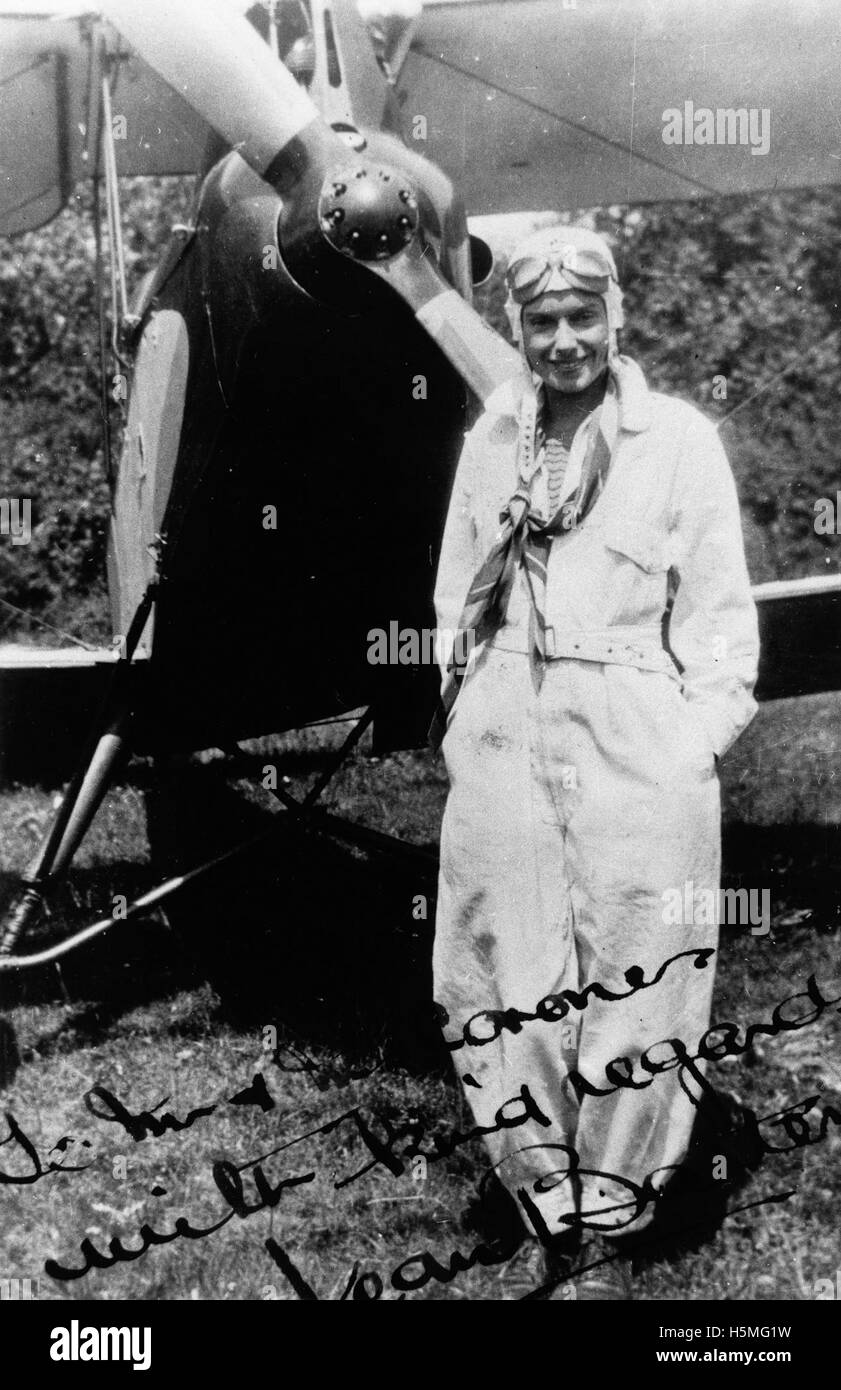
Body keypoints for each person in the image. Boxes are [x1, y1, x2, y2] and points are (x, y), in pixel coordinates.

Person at [431, 223, 760, 1299]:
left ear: (615, 318)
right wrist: (463, 714)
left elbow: (718, 620)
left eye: (583, 316)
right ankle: (544, 1199)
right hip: (505, 718)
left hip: (635, 725)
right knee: (493, 962)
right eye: (542, 320)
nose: (565, 339)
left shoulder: (675, 440)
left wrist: (685, 747)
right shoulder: (492, 440)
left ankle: (618, 1205)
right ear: (517, 330)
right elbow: (455, 594)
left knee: (640, 964)